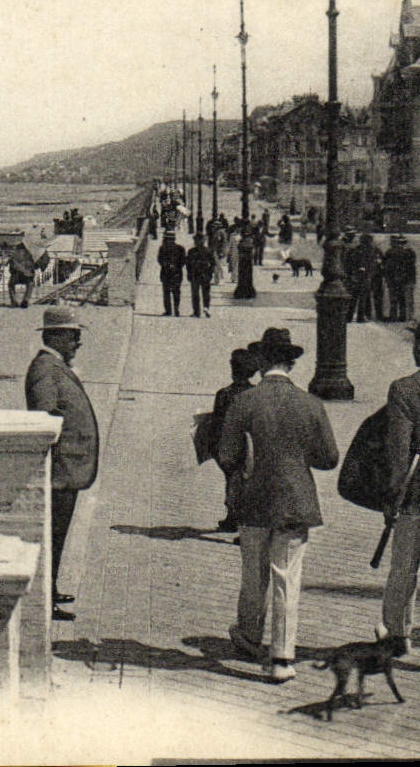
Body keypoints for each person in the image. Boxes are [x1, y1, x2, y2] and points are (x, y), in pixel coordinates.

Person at [218, 327, 339, 682]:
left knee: (253, 575)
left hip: (253, 500)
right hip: (295, 502)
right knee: (286, 577)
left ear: (261, 361)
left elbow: (227, 455)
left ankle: (250, 635)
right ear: (291, 363)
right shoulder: (310, 403)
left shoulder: (244, 402)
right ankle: (283, 657)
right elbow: (329, 458)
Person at [24, 306, 100, 622]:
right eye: (74, 336)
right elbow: (45, 418)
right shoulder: (45, 369)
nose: (78, 343)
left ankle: (51, 589)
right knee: (52, 535)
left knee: (58, 534)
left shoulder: (54, 366)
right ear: (56, 336)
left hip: (67, 469)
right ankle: (45, 598)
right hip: (59, 471)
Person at [378, 326, 420, 656]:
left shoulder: (405, 390)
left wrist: (391, 498)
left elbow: (398, 454)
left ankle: (396, 634)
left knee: (404, 568)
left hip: (414, 499)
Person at [208, 348, 259, 531]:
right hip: (252, 446)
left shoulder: (224, 394)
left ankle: (233, 517)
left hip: (230, 446)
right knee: (247, 483)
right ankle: (239, 519)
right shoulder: (256, 393)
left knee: (231, 480)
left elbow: (216, 424)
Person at [186, 232, 216, 318]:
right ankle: (205, 308)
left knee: (196, 293)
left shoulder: (192, 251)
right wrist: (210, 272)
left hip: (196, 274)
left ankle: (197, 311)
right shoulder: (208, 250)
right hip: (204, 274)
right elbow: (213, 263)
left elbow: (188, 264)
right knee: (205, 293)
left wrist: (188, 274)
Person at [158, 229, 187, 317]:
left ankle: (169, 310)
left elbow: (160, 260)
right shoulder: (180, 248)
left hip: (168, 273)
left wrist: (168, 266)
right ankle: (175, 310)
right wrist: (174, 266)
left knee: (168, 292)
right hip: (176, 273)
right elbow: (183, 261)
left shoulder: (163, 248)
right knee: (175, 292)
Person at [7, 242, 36, 309]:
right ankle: (25, 300)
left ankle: (14, 301)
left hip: (16, 276)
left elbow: (10, 269)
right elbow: (33, 268)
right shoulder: (29, 255)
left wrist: (14, 272)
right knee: (30, 284)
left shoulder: (14, 255)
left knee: (10, 284)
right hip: (27, 277)